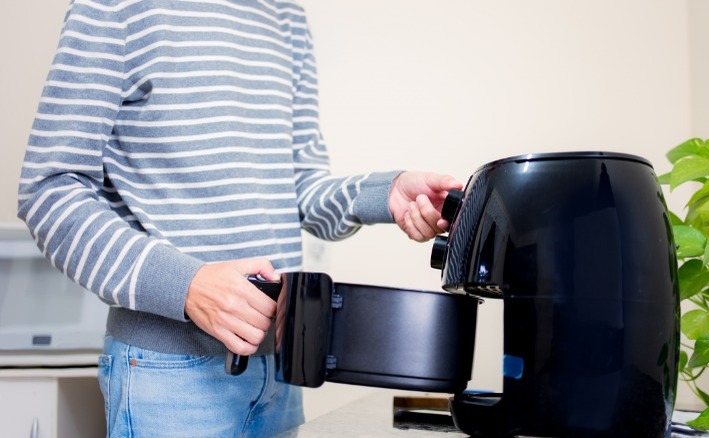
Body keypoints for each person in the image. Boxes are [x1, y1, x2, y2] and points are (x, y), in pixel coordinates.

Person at [17, 1, 461, 436]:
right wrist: (186, 285)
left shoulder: (284, 15)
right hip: (167, 374)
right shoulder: (113, 7)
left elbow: (300, 186)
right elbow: (49, 191)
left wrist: (385, 194)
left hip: (279, 370)